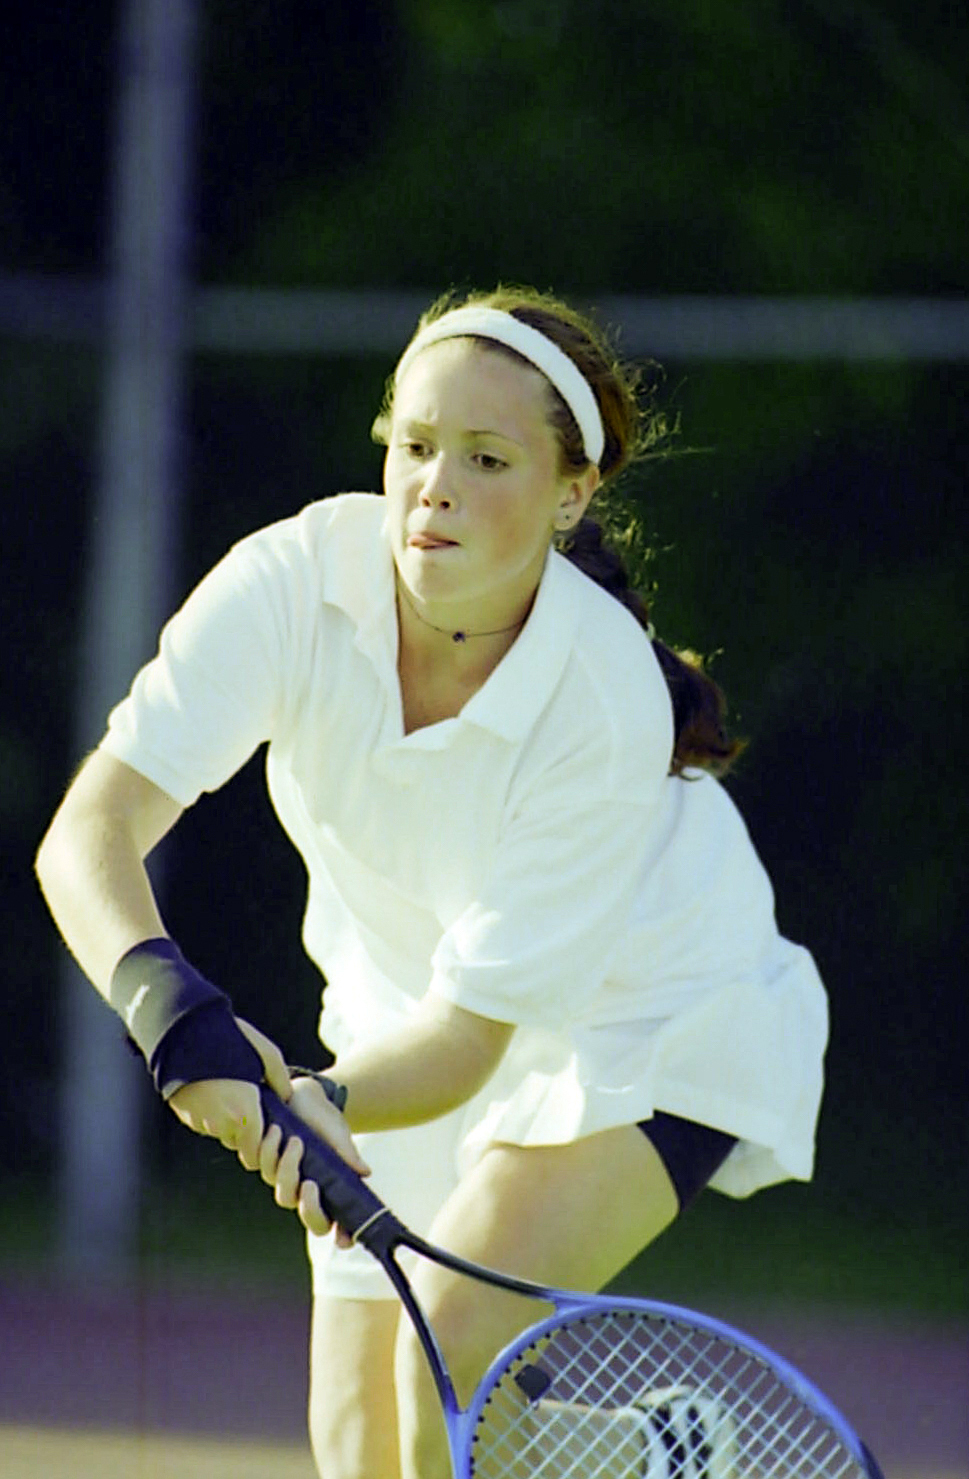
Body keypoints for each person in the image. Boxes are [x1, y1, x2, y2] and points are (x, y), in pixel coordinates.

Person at [36, 285, 828, 1479]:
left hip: (651, 1012)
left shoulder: (602, 691)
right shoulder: (294, 578)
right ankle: (659, 1455)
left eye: (486, 458)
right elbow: (90, 831)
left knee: (450, 1361)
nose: (434, 487)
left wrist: (315, 1099)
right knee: (364, 1450)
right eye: (413, 446)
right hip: (400, 1016)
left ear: (571, 495)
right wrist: (173, 1013)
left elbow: (471, 1038)